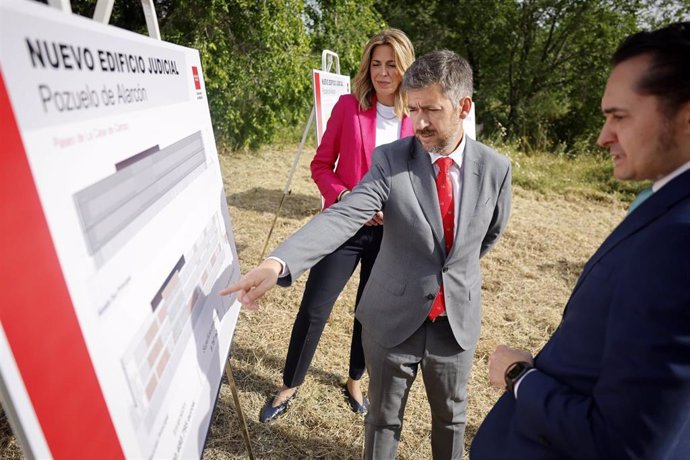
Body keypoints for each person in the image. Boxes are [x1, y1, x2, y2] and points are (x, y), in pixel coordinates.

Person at [222, 49, 512, 458]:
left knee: (451, 419)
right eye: (413, 110)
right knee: (382, 419)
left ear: (464, 107)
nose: (420, 123)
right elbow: (344, 215)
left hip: (455, 325)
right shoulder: (391, 160)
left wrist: (450, 271)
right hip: (392, 323)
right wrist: (277, 263)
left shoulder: (497, 170)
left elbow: (489, 234)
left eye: (431, 110)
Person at [470, 21, 690, 460]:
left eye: (619, 117)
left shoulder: (677, 243)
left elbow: (625, 445)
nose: (602, 136)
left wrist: (519, 376)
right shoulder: (666, 206)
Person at [256, 29, 416, 423]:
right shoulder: (348, 107)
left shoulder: (417, 116)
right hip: (343, 227)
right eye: (376, 64)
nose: (382, 72)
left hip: (392, 234)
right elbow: (320, 165)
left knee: (370, 312)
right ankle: (290, 383)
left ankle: (355, 379)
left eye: (391, 64)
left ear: (405, 67)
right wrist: (345, 197)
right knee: (314, 308)